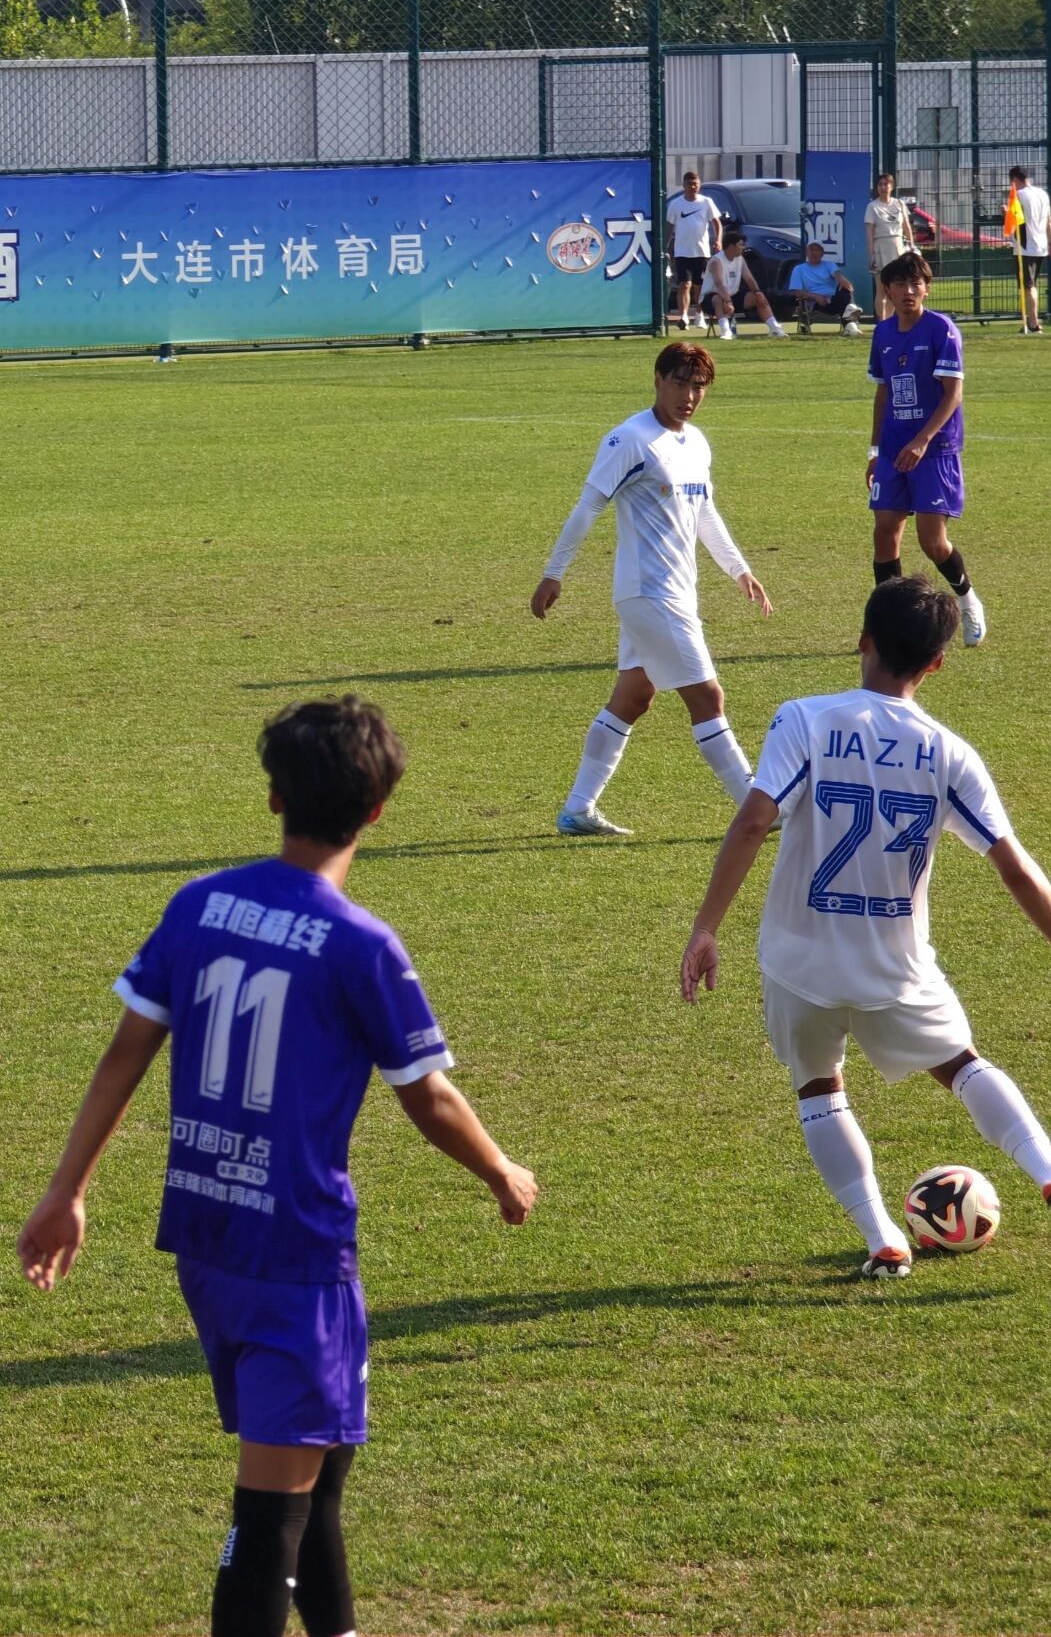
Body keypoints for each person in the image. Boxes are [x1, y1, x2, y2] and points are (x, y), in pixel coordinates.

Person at [18, 696, 538, 1637]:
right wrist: (502, 1171)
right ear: (378, 810)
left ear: (273, 797)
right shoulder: (361, 945)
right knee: (271, 1516)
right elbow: (428, 1098)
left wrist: (68, 1194)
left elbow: (125, 1054)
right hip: (295, 1253)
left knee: (321, 1461)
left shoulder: (199, 905)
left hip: (206, 1235)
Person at [680, 575, 1051, 1281]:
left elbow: (752, 822)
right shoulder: (950, 753)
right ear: (938, 663)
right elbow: (1015, 867)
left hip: (798, 963)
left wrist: (707, 927)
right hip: (895, 967)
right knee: (961, 1065)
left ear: (862, 640)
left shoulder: (804, 719)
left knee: (819, 1089)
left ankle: (883, 1241)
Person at [530, 340, 772, 837]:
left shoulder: (696, 443)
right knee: (708, 697)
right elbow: (588, 507)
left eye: (699, 386)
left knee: (635, 696)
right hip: (648, 593)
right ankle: (756, 808)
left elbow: (704, 512)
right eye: (680, 384)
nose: (689, 396)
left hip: (676, 591)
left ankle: (578, 809)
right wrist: (555, 572)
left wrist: (739, 569)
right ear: (658, 380)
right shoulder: (630, 439)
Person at [865, 249, 986, 647]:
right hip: (893, 449)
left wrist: (922, 440)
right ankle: (888, 625)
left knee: (932, 542)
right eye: (899, 284)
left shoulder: (942, 330)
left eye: (915, 284)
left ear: (927, 289)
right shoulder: (883, 334)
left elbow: (953, 394)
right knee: (885, 531)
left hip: (935, 450)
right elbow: (883, 393)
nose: (908, 291)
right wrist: (874, 451)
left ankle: (967, 601)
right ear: (887, 290)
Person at [700, 230, 787, 341]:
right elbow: (719, 284)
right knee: (718, 299)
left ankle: (775, 328)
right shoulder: (716, 261)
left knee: (758, 297)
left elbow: (749, 279)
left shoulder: (740, 259)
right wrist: (728, 301)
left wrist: (758, 292)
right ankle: (725, 331)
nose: (744, 248)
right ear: (731, 246)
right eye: (741, 245)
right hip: (711, 298)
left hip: (732, 295)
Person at [665, 169, 723, 331]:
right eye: (690, 184)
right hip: (682, 252)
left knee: (700, 286)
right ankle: (683, 316)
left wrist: (718, 240)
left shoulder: (706, 202)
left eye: (696, 184)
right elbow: (669, 226)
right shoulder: (676, 204)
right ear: (684, 185)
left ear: (699, 185)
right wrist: (665, 247)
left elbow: (717, 223)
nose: (693, 187)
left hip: (702, 252)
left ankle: (699, 314)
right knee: (685, 284)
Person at [1004, 165, 1051, 333]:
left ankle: (1033, 324)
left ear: (1014, 179)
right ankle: (1030, 321)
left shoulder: (1018, 195)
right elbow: (1049, 220)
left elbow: (1015, 220)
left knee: (1028, 286)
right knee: (1031, 285)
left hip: (1025, 247)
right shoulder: (1042, 194)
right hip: (1040, 245)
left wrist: (1005, 213)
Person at [864, 170, 915, 322]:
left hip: (898, 247)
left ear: (892, 186)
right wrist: (871, 255)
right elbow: (869, 233)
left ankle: (891, 321)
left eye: (886, 184)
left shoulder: (899, 204)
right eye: (880, 184)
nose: (883, 187)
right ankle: (882, 322)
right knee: (881, 289)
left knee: (895, 288)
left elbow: (906, 226)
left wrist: (912, 245)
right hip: (881, 247)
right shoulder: (872, 206)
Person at [788, 240, 862, 335]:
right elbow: (796, 291)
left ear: (822, 253)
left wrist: (841, 279)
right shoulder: (799, 269)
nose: (815, 253)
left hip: (834, 299)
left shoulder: (830, 265)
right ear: (806, 252)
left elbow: (844, 281)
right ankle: (851, 321)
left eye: (818, 250)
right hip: (816, 303)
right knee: (847, 305)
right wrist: (816, 297)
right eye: (812, 250)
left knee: (845, 291)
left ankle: (850, 318)